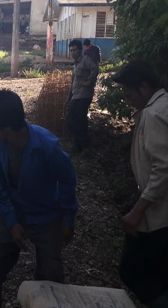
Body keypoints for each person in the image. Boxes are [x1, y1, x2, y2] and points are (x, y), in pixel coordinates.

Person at [0, 89, 77, 308]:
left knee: (51, 277)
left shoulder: (48, 146)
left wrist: (68, 219)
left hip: (46, 215)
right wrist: (11, 221)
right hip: (9, 210)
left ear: (5, 128)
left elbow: (68, 180)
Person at [112, 60, 168, 308]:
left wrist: (137, 211)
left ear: (144, 87)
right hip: (156, 208)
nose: (127, 99)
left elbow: (163, 168)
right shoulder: (162, 105)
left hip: (158, 215)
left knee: (133, 271)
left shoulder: (154, 114)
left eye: (128, 93)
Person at [66, 39, 99, 152]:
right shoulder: (76, 64)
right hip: (76, 95)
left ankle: (81, 144)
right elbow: (73, 81)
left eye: (75, 50)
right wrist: (69, 96)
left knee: (74, 119)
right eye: (71, 50)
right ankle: (81, 144)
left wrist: (88, 83)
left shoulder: (85, 60)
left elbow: (95, 69)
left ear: (80, 50)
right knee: (78, 119)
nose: (73, 53)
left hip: (84, 95)